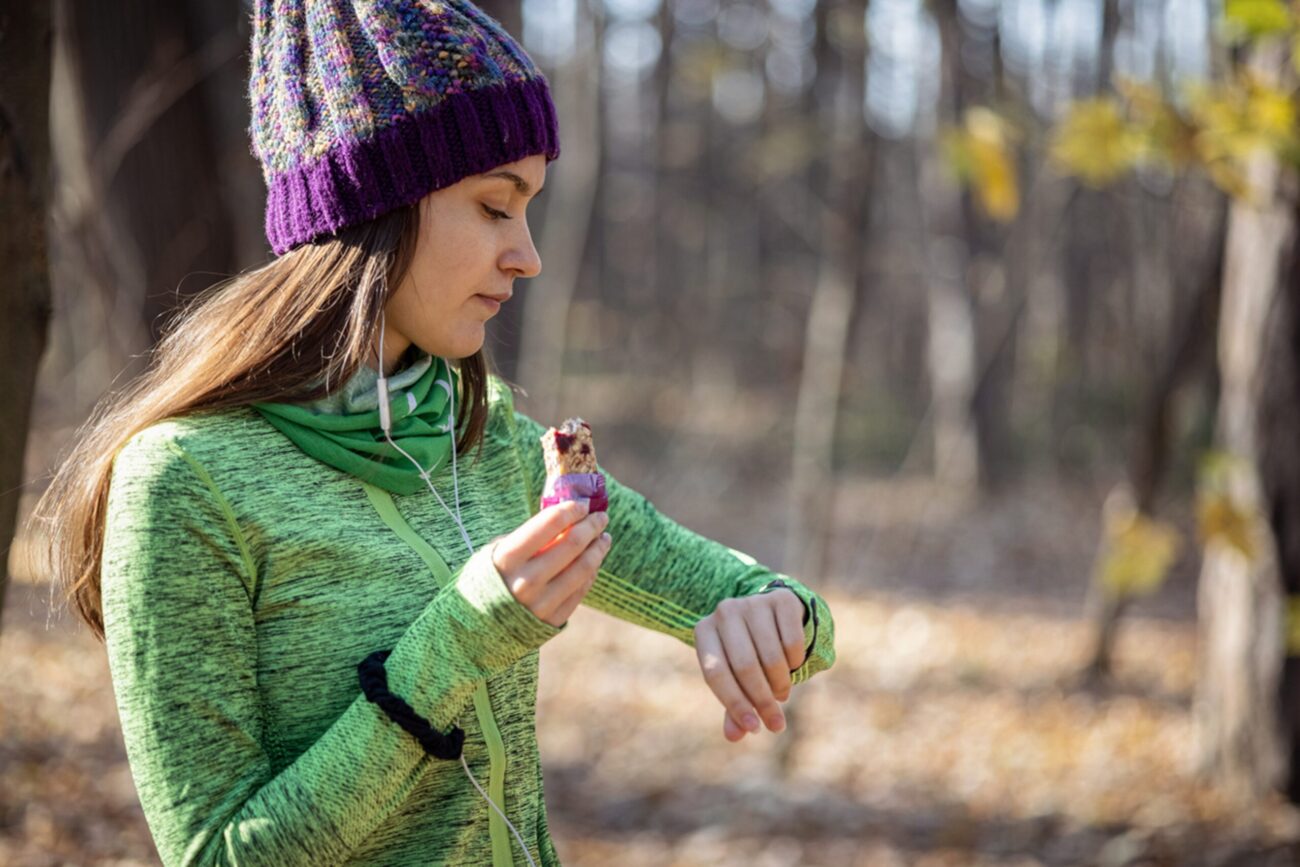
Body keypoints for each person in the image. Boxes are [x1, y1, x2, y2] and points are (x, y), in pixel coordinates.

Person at [28, 1, 836, 864]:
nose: (527, 254)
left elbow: (780, 608)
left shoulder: (487, 444)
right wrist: (459, 638)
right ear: (373, 209)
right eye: (496, 207)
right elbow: (221, 853)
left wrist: (780, 615)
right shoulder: (186, 478)